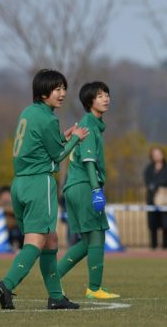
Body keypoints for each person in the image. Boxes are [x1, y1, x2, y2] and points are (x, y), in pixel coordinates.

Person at [0, 69, 88, 310]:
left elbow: (39, 146)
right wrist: (75, 138)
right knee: (36, 241)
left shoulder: (29, 112)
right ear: (44, 93)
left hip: (19, 184)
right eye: (57, 89)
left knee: (50, 239)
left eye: (64, 88)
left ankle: (56, 297)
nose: (62, 93)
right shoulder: (48, 118)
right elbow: (56, 156)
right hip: (39, 184)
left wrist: (63, 137)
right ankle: (7, 284)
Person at [57, 81, 120, 300]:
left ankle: (53, 277)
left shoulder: (91, 124)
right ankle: (94, 289)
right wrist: (96, 190)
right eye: (100, 95)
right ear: (89, 101)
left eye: (107, 94)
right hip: (84, 186)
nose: (106, 98)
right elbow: (89, 160)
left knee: (87, 241)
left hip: (73, 187)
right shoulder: (89, 125)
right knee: (97, 236)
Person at [143, 147, 167, 250]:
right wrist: (151, 186)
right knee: (153, 223)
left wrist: (155, 185)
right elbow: (147, 180)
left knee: (166, 223)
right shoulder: (149, 168)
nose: (157, 156)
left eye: (159, 154)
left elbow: (166, 179)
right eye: (155, 154)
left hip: (164, 198)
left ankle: (166, 245)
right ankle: (153, 246)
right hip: (151, 198)